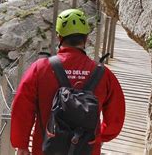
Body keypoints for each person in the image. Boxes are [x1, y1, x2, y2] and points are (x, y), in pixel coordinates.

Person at [11, 9, 125, 155]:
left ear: (59, 37)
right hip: (87, 149)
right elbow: (116, 117)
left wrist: (21, 144)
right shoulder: (104, 74)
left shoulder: (40, 69)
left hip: (45, 149)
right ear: (86, 38)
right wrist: (99, 136)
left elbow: (22, 108)